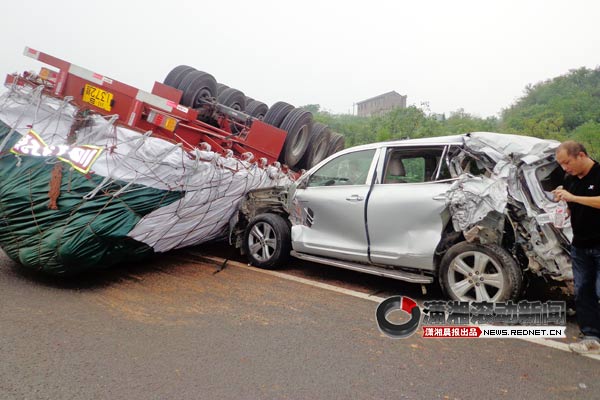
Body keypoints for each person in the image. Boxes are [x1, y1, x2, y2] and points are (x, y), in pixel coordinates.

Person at [553, 140, 600, 354]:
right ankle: (590, 336)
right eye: (561, 164)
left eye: (567, 162)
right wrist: (564, 203)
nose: (565, 168)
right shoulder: (570, 179)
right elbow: (574, 207)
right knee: (583, 292)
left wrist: (574, 198)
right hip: (580, 245)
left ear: (581, 155)